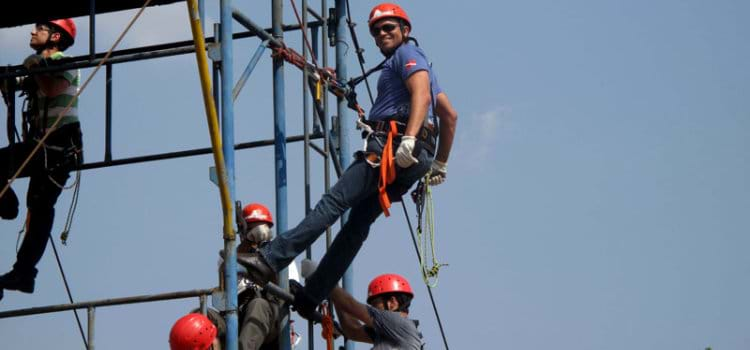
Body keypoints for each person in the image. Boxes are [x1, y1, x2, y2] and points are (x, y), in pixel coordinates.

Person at [240, 2, 458, 319]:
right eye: (376, 30)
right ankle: (312, 295)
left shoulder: (407, 56)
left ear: (405, 30)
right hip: (412, 155)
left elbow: (421, 96)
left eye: (389, 28)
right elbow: (449, 116)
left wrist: (408, 139)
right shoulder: (413, 64)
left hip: (392, 146)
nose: (382, 34)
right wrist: (440, 163)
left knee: (333, 202)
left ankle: (270, 259)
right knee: (355, 227)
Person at [0, 18, 83, 297]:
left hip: (58, 146)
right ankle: (24, 274)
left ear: (55, 37)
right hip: (43, 145)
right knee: (39, 208)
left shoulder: (66, 61)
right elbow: (20, 82)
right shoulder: (38, 66)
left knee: (40, 209)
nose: (33, 31)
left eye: (41, 28)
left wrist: (33, 66)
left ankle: (24, 272)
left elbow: (50, 89)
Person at [229, 203, 300, 350]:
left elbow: (289, 289)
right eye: (251, 228)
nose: (257, 233)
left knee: (258, 305)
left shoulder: (283, 258)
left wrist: (266, 255)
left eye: (260, 228)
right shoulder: (231, 258)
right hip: (237, 315)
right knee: (200, 318)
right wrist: (248, 242)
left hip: (270, 319)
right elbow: (225, 270)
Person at [331, 273, 424, 349]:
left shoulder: (397, 322)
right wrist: (335, 296)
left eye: (375, 304)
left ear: (392, 303)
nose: (374, 310)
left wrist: (327, 282)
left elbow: (351, 305)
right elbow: (352, 331)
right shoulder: (391, 332)